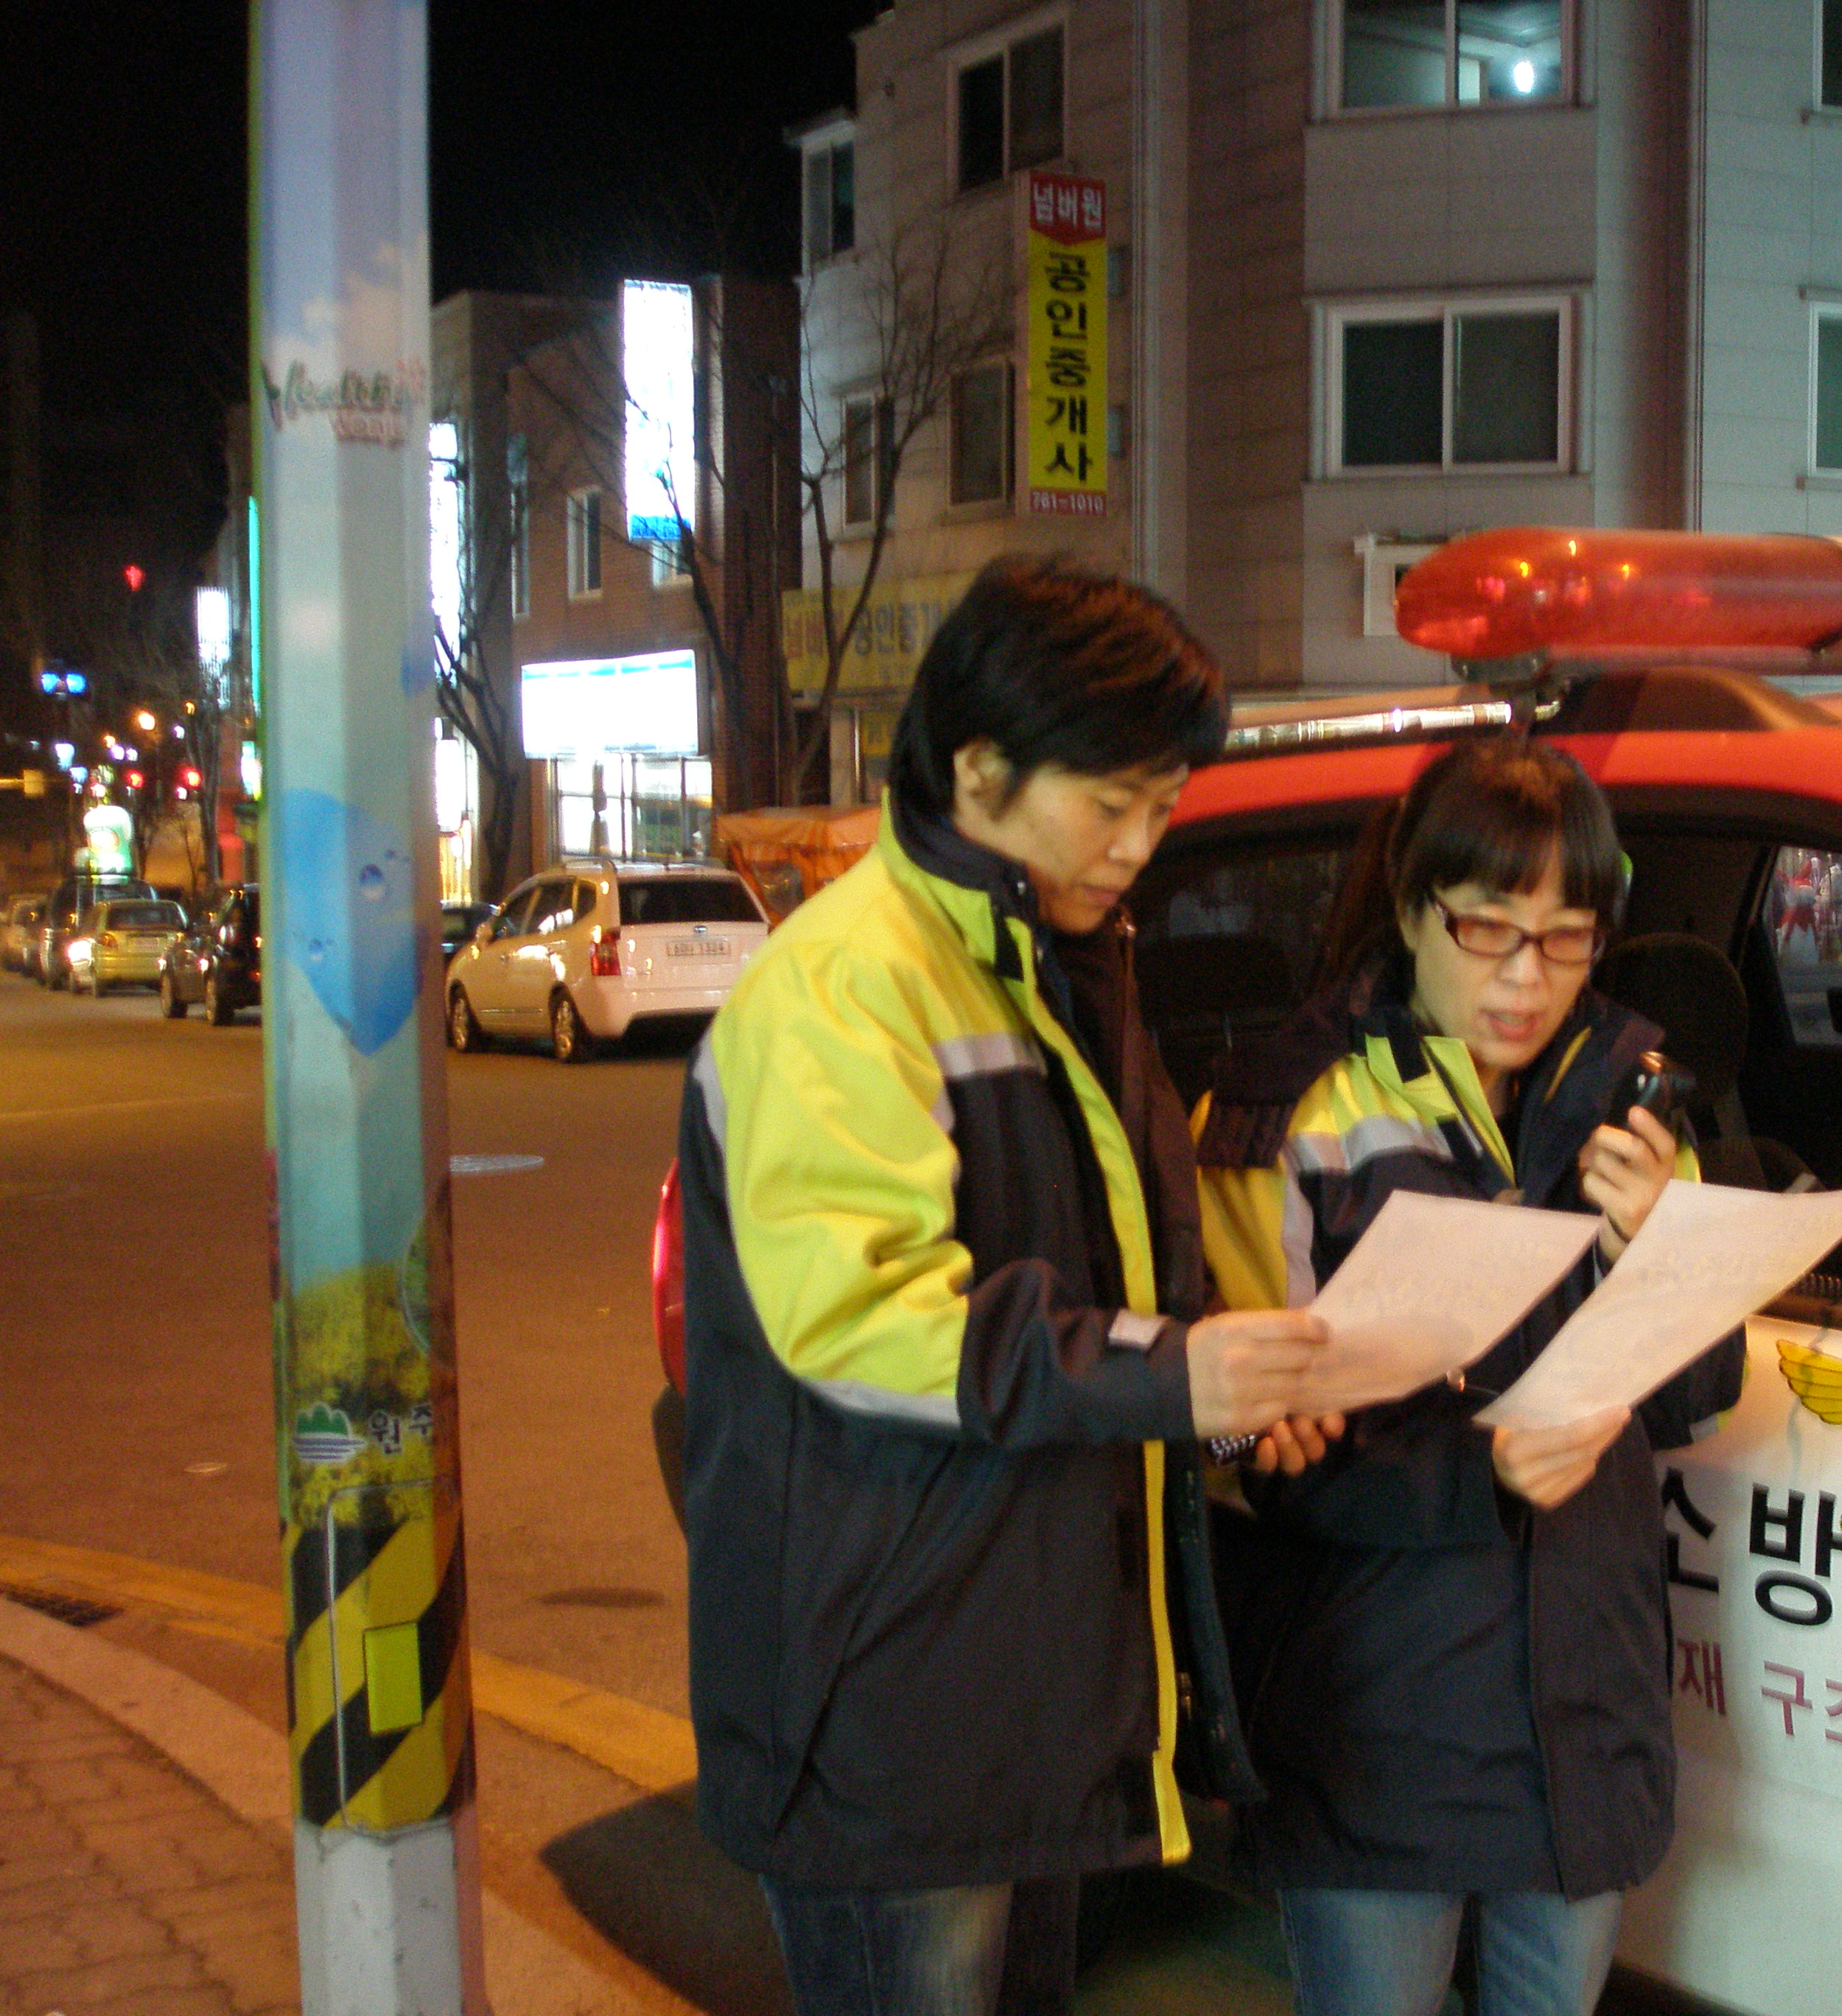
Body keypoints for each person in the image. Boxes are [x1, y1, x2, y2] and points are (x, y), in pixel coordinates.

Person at [676, 556, 1331, 2016]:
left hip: (1026, 1688)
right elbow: (866, 1322)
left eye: (1164, 809)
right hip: (888, 1710)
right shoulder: (847, 986)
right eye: (1112, 806)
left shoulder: (1058, 963)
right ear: (979, 768)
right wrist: (1176, 1375)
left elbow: (1115, 1281)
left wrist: (1223, 1396)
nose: (1140, 848)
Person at [1195, 738, 1748, 2016]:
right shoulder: (1290, 1115)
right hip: (1377, 1719)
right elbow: (1230, 1451)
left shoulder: (1634, 1104)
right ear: (1410, 910)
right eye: (1487, 929)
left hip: (1582, 1701)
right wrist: (1476, 1472)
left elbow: (1696, 1401)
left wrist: (1653, 1247)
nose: (1525, 977)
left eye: (1565, 939)